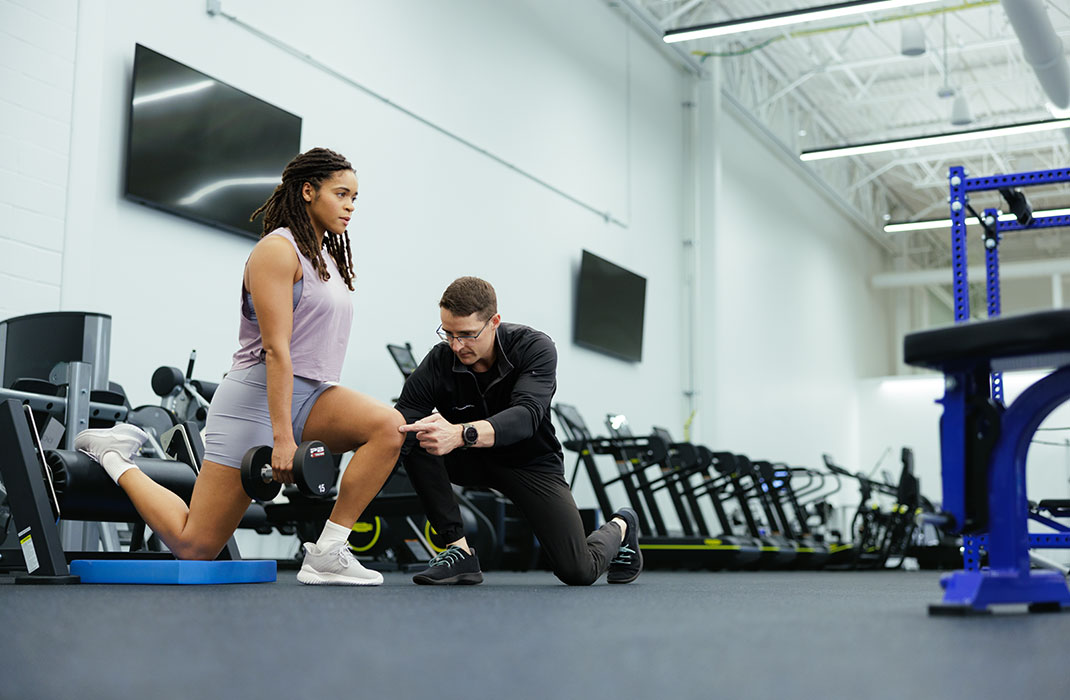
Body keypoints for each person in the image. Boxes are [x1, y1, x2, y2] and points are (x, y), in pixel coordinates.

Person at [74, 147, 404, 585]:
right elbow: (277, 350)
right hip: (254, 398)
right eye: (341, 194)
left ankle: (328, 550)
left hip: (314, 392)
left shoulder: (328, 259)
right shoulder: (276, 251)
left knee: (388, 427)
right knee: (195, 547)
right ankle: (112, 454)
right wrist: (283, 440)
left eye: (355, 198)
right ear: (308, 191)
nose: (350, 206)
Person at [395, 276, 642, 586]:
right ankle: (458, 553)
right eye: (449, 334)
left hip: (530, 464)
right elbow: (401, 421)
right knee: (418, 434)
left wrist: (460, 434)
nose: (457, 346)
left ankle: (621, 525)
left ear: (494, 321)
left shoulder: (534, 347)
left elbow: (526, 417)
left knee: (577, 570)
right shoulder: (440, 360)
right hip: (472, 460)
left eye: (468, 335)